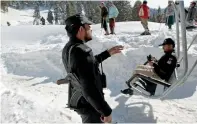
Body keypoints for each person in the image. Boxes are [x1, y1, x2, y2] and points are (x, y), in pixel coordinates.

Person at [62, 14, 124, 123]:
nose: (91, 29)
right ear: (81, 29)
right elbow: (88, 87)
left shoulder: (69, 48)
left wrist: (107, 53)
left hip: (82, 101)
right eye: (88, 27)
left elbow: (86, 65)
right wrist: (106, 111)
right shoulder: (81, 51)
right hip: (90, 105)